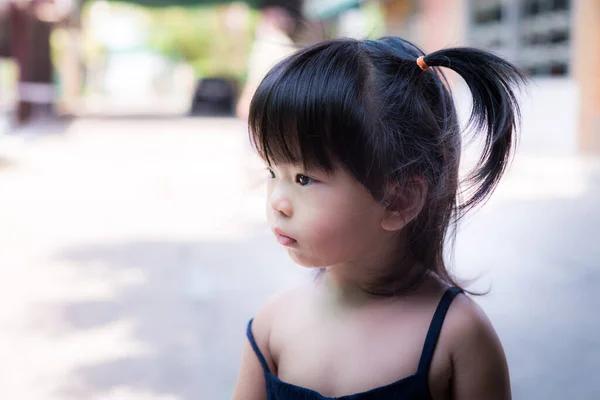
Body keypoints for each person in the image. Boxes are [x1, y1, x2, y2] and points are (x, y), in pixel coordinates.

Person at [232, 36, 526, 400]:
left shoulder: (458, 336)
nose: (277, 201)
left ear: (397, 201)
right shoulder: (272, 327)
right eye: (272, 172)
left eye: (304, 178)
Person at [236, 5, 298, 121]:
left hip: (265, 107)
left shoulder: (269, 44)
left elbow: (257, 79)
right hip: (280, 107)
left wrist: (246, 102)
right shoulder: (287, 45)